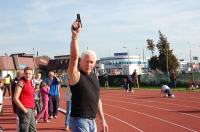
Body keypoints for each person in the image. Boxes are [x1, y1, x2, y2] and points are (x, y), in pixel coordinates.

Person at [67, 20, 108, 132]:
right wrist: (75, 36)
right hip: (79, 120)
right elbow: (74, 57)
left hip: (92, 121)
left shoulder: (94, 77)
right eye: (87, 61)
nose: (89, 64)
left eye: (92, 62)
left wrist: (102, 120)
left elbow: (97, 99)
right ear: (81, 62)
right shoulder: (75, 75)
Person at [13, 67, 37, 132]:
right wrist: (25, 110)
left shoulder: (30, 82)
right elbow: (15, 98)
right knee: (24, 130)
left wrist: (33, 109)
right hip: (24, 109)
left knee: (32, 129)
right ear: (24, 74)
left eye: (29, 74)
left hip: (31, 109)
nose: (28, 75)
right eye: (26, 73)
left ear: (32, 74)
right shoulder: (21, 83)